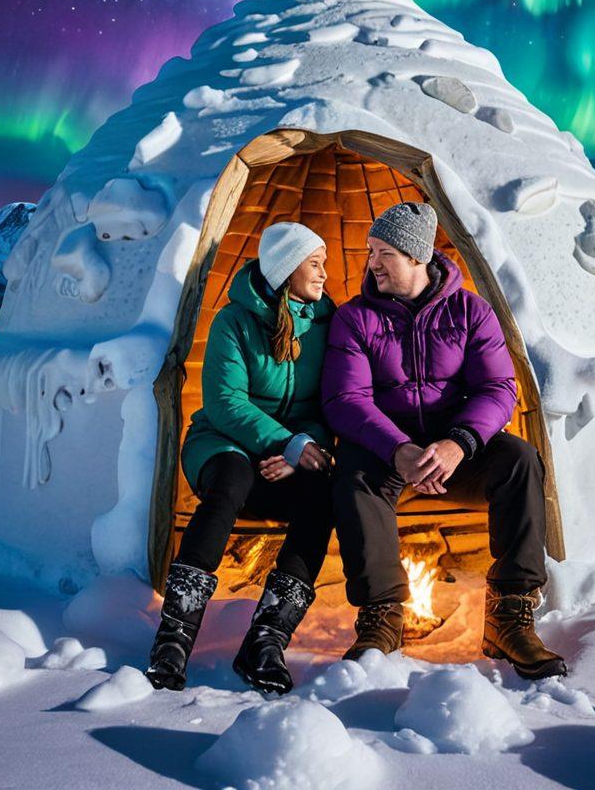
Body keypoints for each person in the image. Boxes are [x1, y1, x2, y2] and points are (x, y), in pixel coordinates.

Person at [321, 201, 567, 680]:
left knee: (519, 459)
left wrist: (458, 443)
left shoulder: (472, 311)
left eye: (383, 252)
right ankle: (382, 618)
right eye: (371, 250)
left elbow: (498, 388)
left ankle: (509, 616)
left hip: (455, 452)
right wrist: (398, 449)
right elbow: (344, 399)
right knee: (352, 474)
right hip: (387, 451)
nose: (371, 262)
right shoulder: (355, 319)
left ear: (417, 257)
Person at [146, 221, 335, 695]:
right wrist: (285, 443)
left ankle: (266, 640)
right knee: (231, 476)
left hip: (285, 456)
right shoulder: (234, 320)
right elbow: (226, 402)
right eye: (315, 263)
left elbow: (326, 406)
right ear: (287, 267)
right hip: (222, 443)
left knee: (322, 492)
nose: (324, 274)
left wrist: (300, 451)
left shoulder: (325, 323)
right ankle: (173, 639)